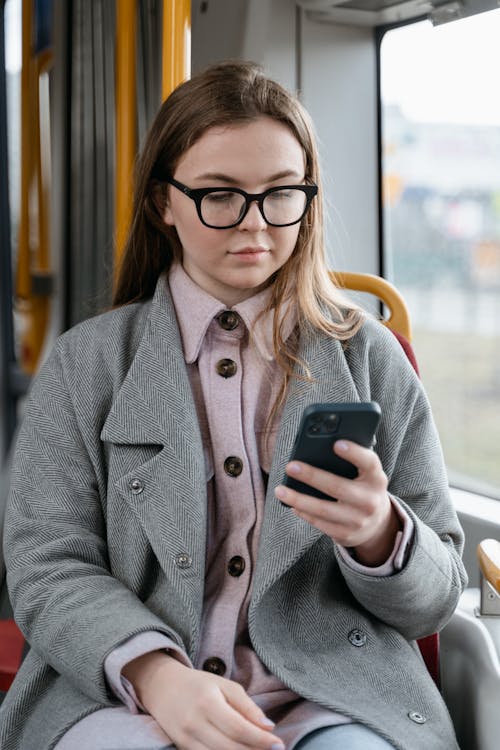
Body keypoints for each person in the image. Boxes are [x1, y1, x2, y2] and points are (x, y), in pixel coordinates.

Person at [0, 60, 467, 750]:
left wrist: (378, 532)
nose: (255, 225)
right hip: (129, 690)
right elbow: (47, 567)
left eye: (282, 194)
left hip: (332, 695)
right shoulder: (84, 363)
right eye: (220, 195)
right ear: (163, 202)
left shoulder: (373, 358)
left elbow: (436, 600)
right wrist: (157, 676)